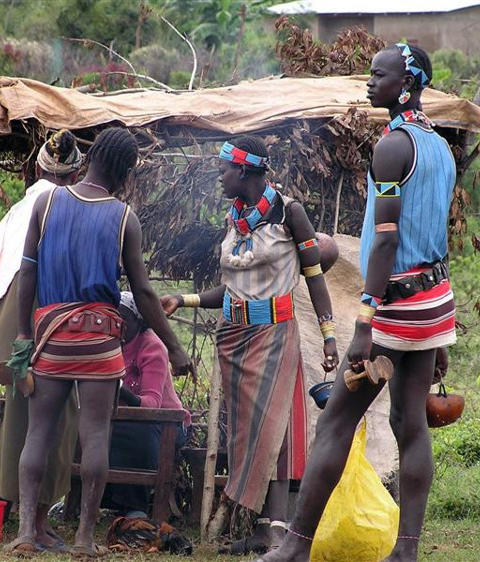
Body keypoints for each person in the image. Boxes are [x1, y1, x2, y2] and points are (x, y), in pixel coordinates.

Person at [259, 43, 457, 562]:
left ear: (406, 84)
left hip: (395, 305)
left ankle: (295, 547)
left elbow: (386, 242)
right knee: (410, 424)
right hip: (432, 298)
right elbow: (435, 234)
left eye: (378, 74)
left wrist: (365, 320)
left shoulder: (393, 147)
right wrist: (436, 333)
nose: (369, 82)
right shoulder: (439, 147)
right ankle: (406, 552)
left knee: (336, 421)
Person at [4, 127, 193, 558]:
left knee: (39, 433)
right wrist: (175, 347)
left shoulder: (46, 203)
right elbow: (143, 292)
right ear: (126, 173)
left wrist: (23, 335)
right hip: (101, 341)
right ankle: (85, 539)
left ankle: (26, 533)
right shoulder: (125, 218)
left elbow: (27, 273)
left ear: (89, 160)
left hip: (52, 335)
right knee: (94, 436)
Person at [162, 135, 339, 555]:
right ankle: (261, 530)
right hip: (234, 338)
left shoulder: (290, 213)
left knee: (275, 429)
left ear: (244, 170)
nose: (219, 177)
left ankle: (277, 530)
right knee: (245, 434)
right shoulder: (236, 218)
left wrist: (329, 335)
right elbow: (231, 291)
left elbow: (315, 277)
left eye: (224, 169)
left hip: (274, 335)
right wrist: (183, 300)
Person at [0, 129, 83, 552]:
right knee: (57, 418)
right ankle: (34, 525)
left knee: (22, 418)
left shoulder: (20, 207)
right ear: (76, 174)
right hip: (40, 317)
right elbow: (43, 272)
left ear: (37, 167)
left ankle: (26, 523)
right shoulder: (64, 206)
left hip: (12, 324)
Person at [101, 291, 192, 514]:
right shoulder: (107, 343)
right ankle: (100, 500)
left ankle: (133, 505)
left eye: (123, 318)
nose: (118, 324)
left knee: (136, 432)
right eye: (112, 317)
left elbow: (152, 404)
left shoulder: (152, 346)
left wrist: (120, 390)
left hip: (167, 422)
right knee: (92, 429)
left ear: (139, 321)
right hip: (123, 418)